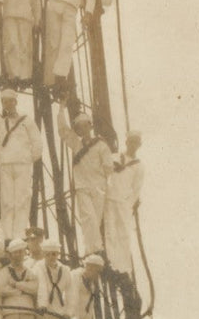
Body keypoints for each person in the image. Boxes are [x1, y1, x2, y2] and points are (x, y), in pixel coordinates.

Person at [0, 91, 43, 241]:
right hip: (6, 165)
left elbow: (37, 142)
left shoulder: (26, 120)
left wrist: (29, 158)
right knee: (7, 201)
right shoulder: (1, 123)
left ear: (15, 102)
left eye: (10, 101)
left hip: (22, 164)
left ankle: (19, 235)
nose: (8, 104)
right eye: (5, 102)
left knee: (22, 200)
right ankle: (7, 236)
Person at [60, 107, 111, 254]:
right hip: (82, 187)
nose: (82, 128)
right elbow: (63, 131)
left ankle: (92, 249)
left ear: (90, 126)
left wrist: (111, 188)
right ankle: (94, 250)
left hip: (99, 187)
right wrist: (61, 110)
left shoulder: (101, 145)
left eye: (84, 125)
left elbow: (108, 168)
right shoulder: (76, 144)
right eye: (78, 127)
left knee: (96, 219)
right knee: (88, 217)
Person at [104, 131, 144, 274]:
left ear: (139, 145)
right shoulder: (114, 157)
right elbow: (104, 174)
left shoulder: (138, 166)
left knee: (124, 234)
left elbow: (136, 189)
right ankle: (111, 263)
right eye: (131, 142)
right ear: (126, 142)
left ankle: (124, 267)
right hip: (110, 198)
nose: (133, 145)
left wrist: (128, 204)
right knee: (110, 231)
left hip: (123, 203)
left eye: (136, 143)